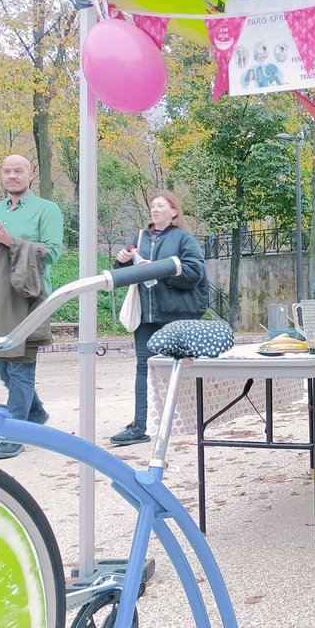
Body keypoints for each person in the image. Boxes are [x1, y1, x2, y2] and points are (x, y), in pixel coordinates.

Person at [0, 154, 64, 459]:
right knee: (2, 364)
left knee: (21, 367)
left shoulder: (46, 209)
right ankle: (35, 413)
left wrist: (9, 240)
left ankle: (14, 432)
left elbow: (52, 254)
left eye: (18, 171)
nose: (12, 175)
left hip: (29, 296)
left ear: (30, 175)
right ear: (2, 175)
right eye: (7, 171)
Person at [109, 191, 209, 446]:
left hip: (177, 314)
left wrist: (159, 269)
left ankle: (192, 420)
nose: (155, 209)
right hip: (146, 315)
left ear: (174, 211)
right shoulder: (140, 238)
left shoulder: (184, 238)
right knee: (144, 367)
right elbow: (130, 272)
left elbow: (194, 273)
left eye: (161, 205)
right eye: (153, 205)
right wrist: (122, 264)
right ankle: (139, 425)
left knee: (182, 365)